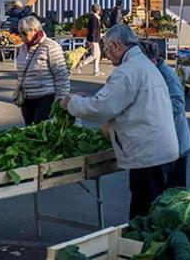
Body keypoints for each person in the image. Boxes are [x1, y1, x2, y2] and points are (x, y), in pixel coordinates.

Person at [61, 24, 180, 218]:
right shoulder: (143, 64)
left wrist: (72, 103)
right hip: (160, 149)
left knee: (144, 214)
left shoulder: (127, 71)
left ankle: (139, 247)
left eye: (107, 49)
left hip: (148, 153)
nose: (107, 54)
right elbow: (118, 99)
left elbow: (102, 108)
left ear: (116, 45)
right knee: (156, 210)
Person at [140, 40, 190, 188]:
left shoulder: (167, 75)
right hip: (161, 144)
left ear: (153, 61)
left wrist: (148, 108)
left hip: (176, 144)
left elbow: (178, 105)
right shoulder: (152, 73)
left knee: (172, 192)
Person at [15, 15, 71, 125]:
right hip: (27, 99)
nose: (21, 37)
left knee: (41, 130)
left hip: (46, 98)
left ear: (35, 30)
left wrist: (61, 99)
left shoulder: (50, 46)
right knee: (29, 132)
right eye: (19, 33)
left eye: (24, 33)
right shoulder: (22, 48)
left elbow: (62, 75)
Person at [78, 4, 104, 76]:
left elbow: (94, 30)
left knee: (97, 54)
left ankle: (96, 71)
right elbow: (93, 30)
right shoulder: (94, 18)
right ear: (98, 10)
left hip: (94, 38)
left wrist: (99, 34)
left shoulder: (94, 17)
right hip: (93, 39)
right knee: (95, 55)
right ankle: (81, 64)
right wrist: (96, 37)